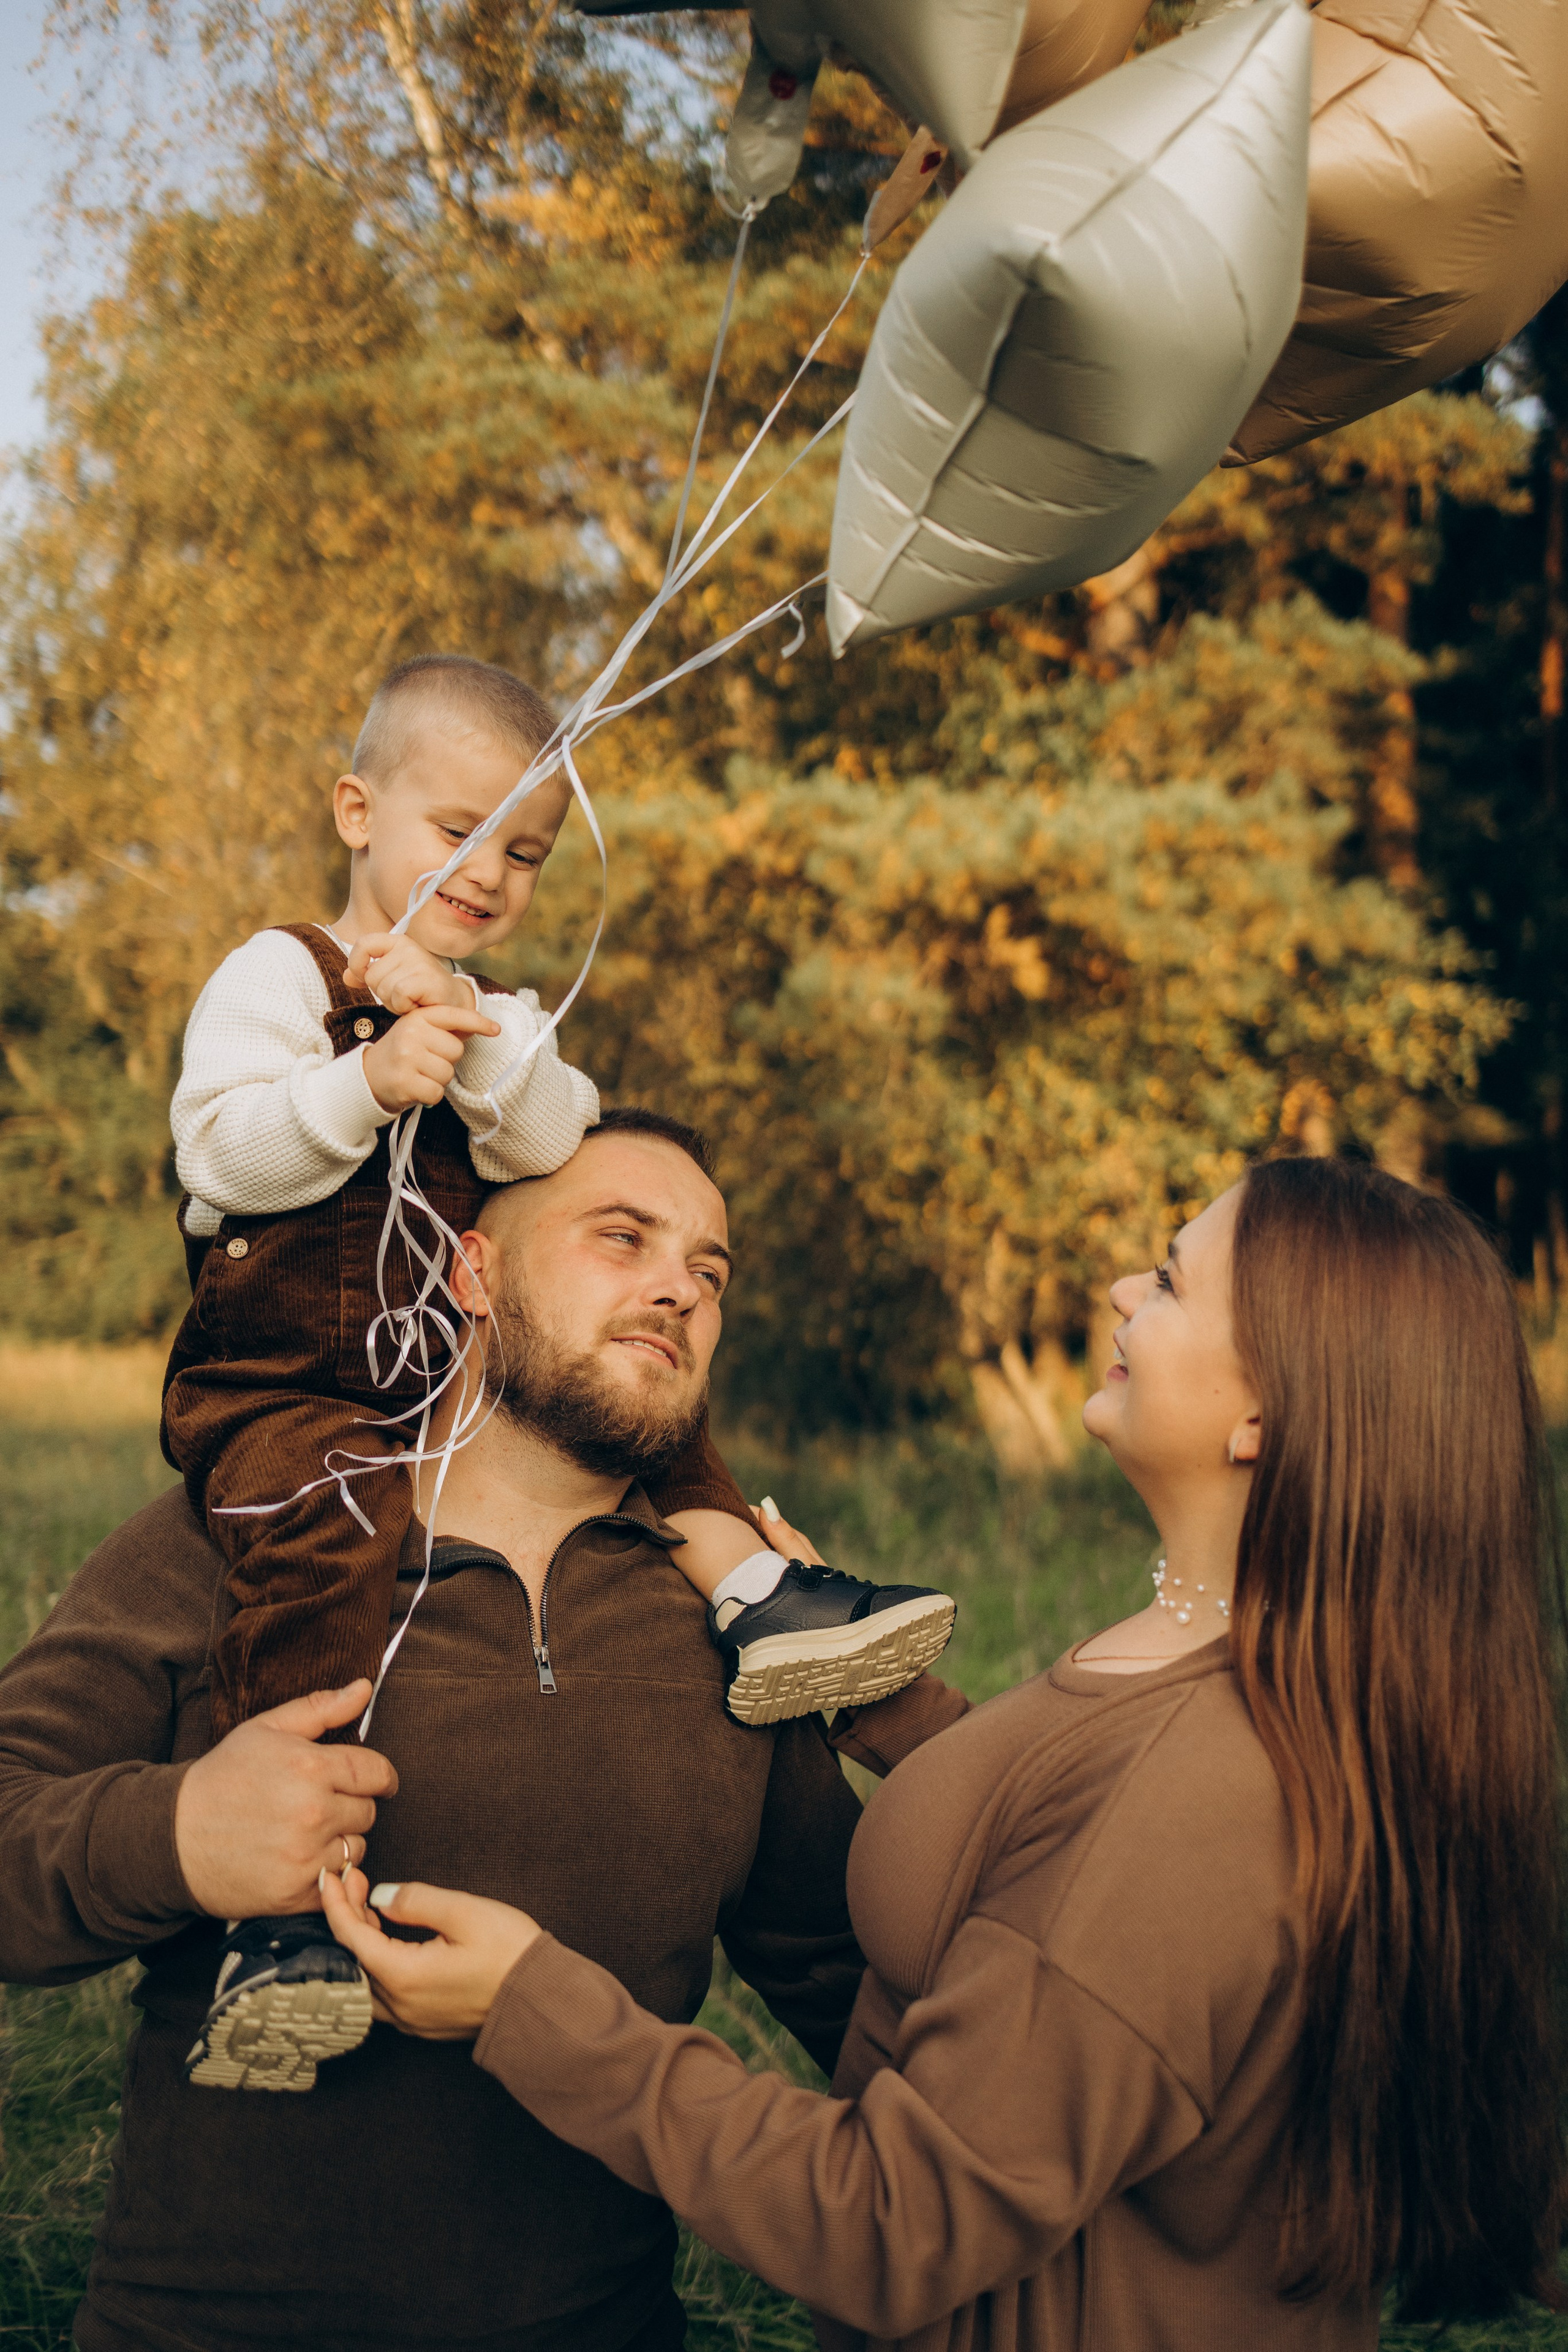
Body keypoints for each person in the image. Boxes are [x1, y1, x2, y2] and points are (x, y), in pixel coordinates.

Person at [323, 1156, 1567, 2348]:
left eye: (1172, 1281)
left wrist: (533, 2004)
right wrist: (880, 1704)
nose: (1120, 1292)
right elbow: (1065, 1867)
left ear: (1259, 1417)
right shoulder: (1213, 1669)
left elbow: (891, 2220)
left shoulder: (1203, 1791)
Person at [162, 650, 954, 2087]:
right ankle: (283, 1914)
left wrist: (468, 1041)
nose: (488, 872)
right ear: (356, 812)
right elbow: (217, 1156)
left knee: (648, 1414)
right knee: (316, 1552)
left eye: (523, 852)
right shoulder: (281, 976)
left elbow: (548, 1136)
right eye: (455, 830)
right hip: (290, 1376)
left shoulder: (495, 1010)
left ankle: (761, 1596)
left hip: (448, 1362)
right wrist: (360, 1082)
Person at [0, 1114, 891, 2352]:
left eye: (709, 1269)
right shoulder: (256, 1531)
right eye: (622, 1238)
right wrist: (180, 1834)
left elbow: (850, 1980)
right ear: (472, 1271)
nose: (678, 1290)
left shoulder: (728, 1619)